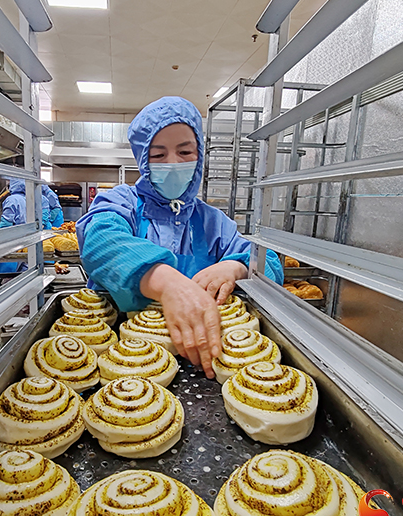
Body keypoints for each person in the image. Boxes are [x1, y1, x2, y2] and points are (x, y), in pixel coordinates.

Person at [77, 96, 283, 379]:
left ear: (200, 155)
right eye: (158, 155)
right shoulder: (122, 202)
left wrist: (236, 267)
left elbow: (269, 264)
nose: (173, 163)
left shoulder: (213, 222)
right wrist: (167, 284)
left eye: (185, 152)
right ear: (142, 159)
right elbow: (100, 242)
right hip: (126, 359)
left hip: (205, 356)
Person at [0, 178, 51, 273]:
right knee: (30, 269)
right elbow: (44, 219)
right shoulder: (39, 198)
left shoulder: (12, 200)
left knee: (10, 273)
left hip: (15, 242)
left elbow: (6, 224)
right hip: (34, 240)